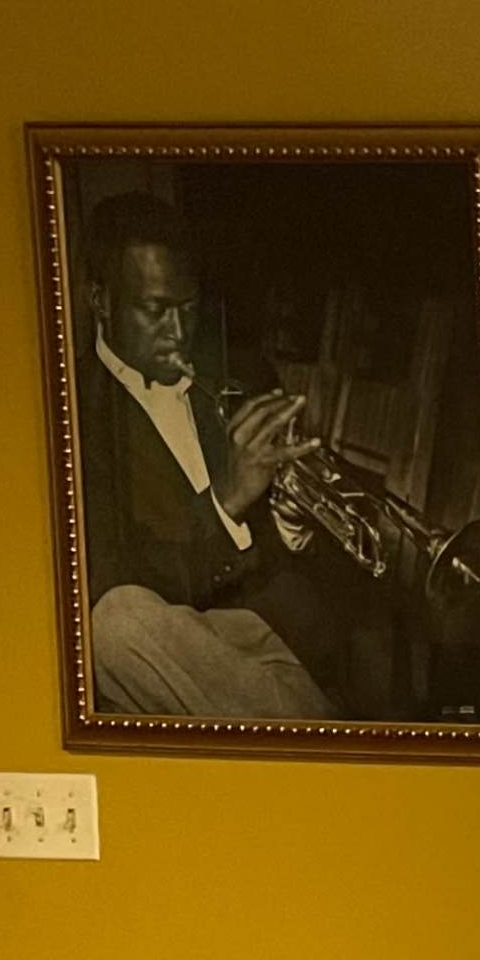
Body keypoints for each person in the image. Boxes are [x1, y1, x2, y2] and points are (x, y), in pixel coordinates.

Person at [72, 194, 352, 720]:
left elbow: (315, 570)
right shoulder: (73, 418)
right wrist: (226, 502)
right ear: (100, 300)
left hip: (276, 641)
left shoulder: (243, 376)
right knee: (114, 622)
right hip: (170, 652)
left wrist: (293, 524)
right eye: (155, 310)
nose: (178, 332)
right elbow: (112, 577)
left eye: (188, 307)